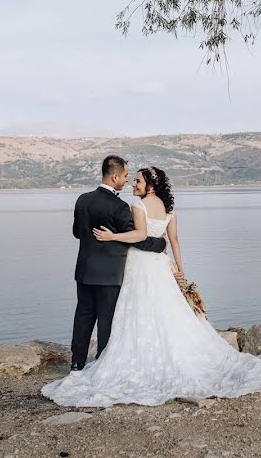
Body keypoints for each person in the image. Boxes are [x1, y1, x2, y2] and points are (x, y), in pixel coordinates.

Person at [42, 165, 261, 407]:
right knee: (163, 310)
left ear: (150, 186)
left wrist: (112, 236)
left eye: (138, 180)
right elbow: (172, 239)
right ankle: (113, 357)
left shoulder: (125, 204)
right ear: (115, 176)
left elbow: (133, 236)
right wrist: (178, 266)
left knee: (120, 312)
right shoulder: (167, 208)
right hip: (160, 266)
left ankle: (82, 363)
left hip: (118, 267)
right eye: (130, 178)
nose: (133, 182)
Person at [67, 155, 167, 370]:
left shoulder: (82, 199)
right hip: (110, 273)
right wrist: (159, 245)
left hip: (84, 270)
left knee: (83, 315)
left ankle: (77, 363)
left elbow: (77, 233)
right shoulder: (119, 207)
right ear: (114, 176)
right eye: (125, 176)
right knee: (106, 320)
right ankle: (102, 365)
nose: (127, 180)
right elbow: (136, 238)